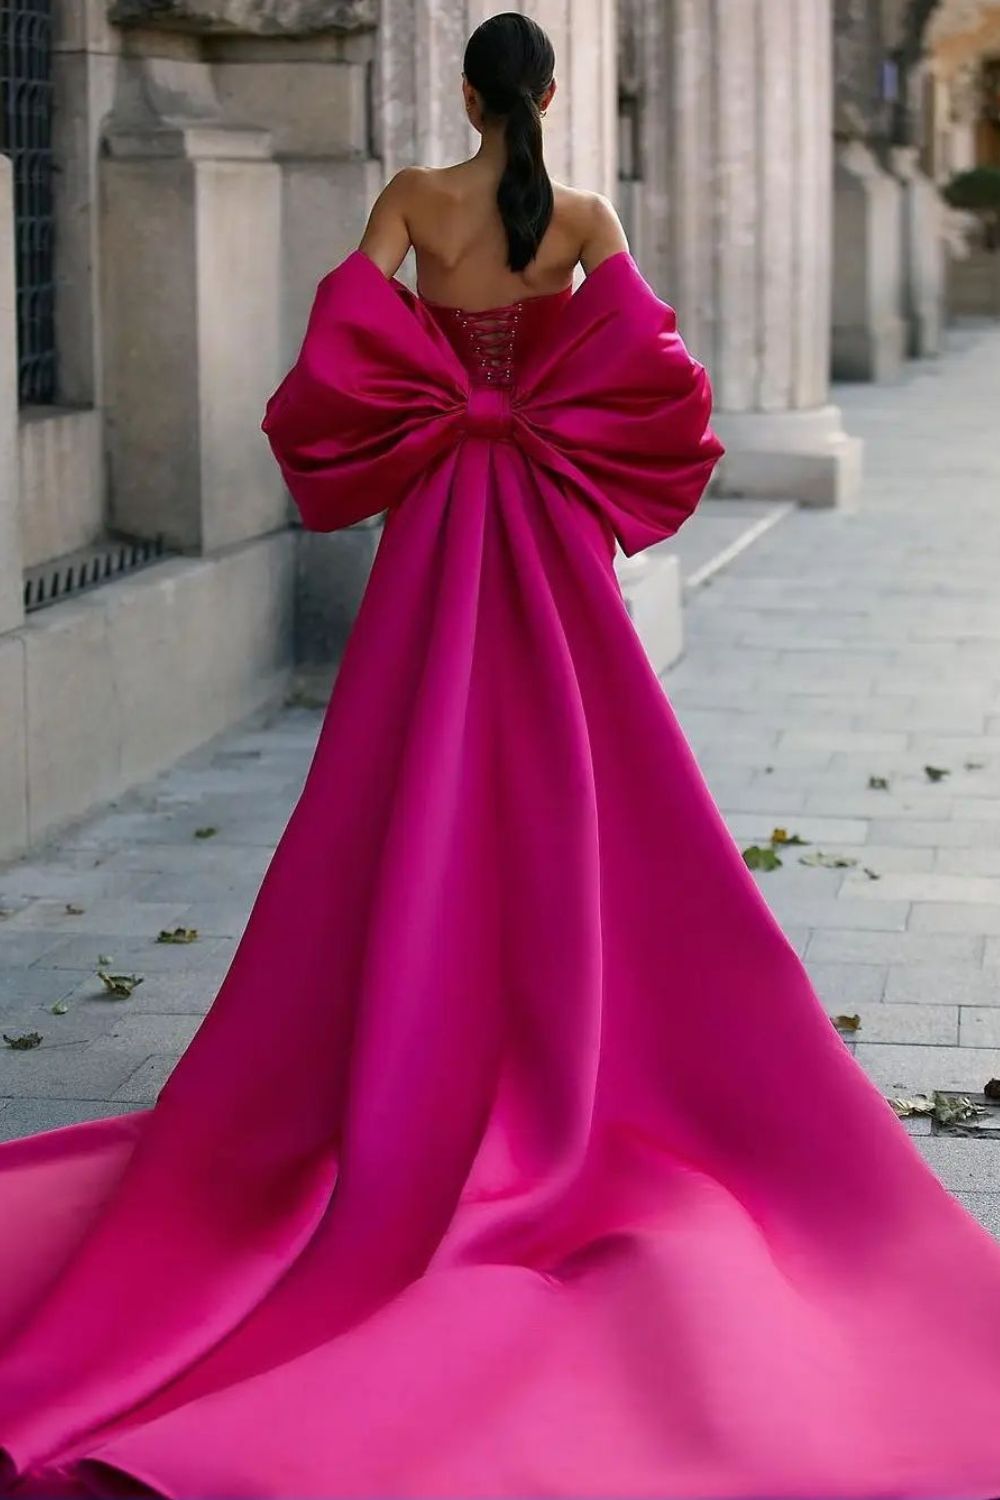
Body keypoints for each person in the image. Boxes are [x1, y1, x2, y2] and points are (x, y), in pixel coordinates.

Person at [2, 12, 1000, 1499]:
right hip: (548, 517)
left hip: (441, 523)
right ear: (547, 92)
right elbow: (668, 380)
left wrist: (431, 408)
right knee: (573, 762)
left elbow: (345, 354)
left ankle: (421, 961)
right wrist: (555, 408)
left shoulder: (412, 193)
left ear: (468, 90)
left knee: (404, 762)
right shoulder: (588, 216)